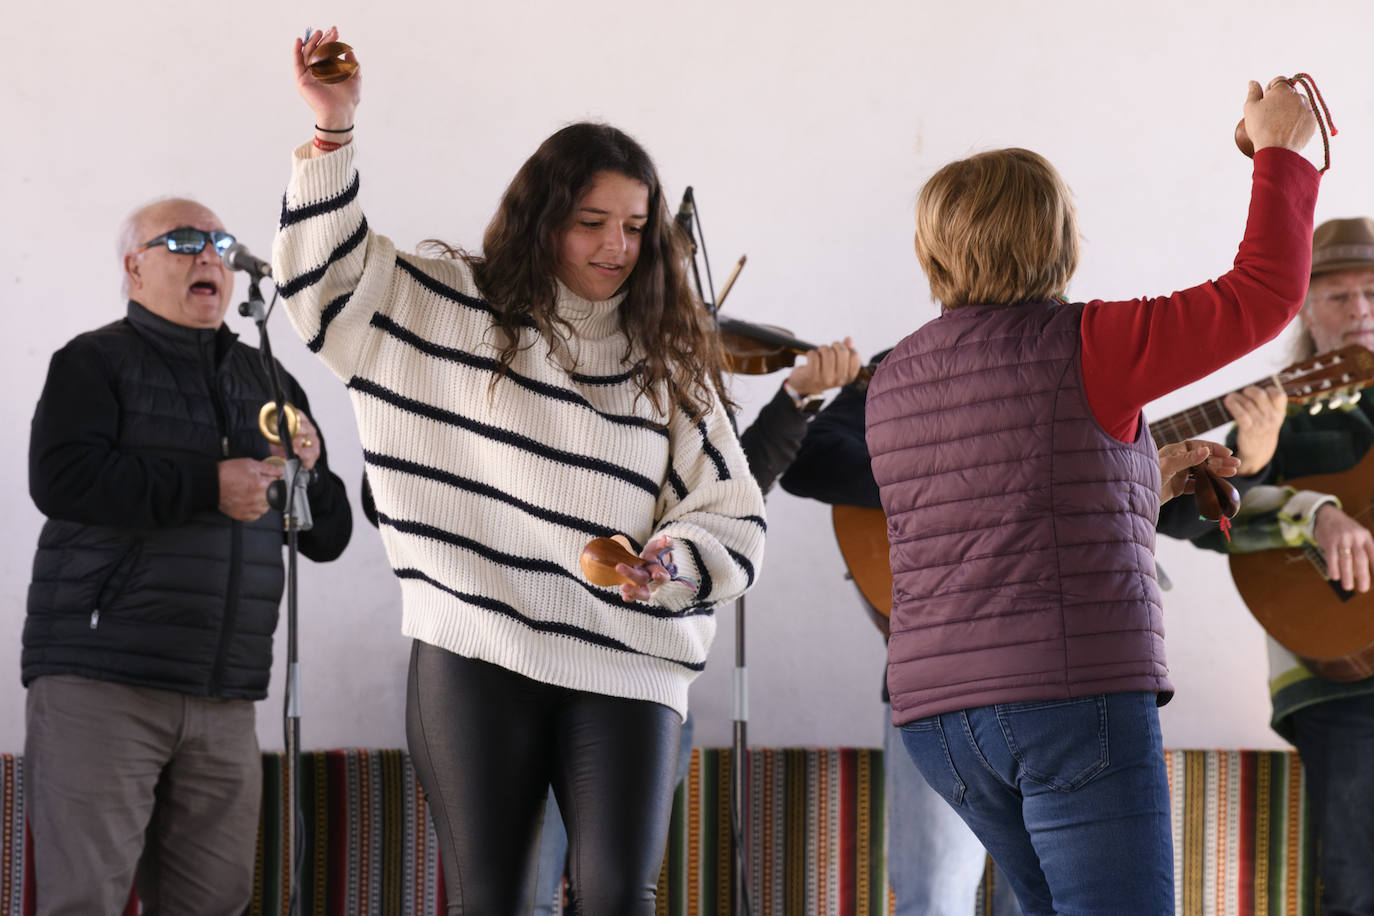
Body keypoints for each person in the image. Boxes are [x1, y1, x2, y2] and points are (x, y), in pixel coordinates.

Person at [277, 27, 767, 914]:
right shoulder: (448, 306)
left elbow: (733, 512)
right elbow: (324, 288)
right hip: (478, 644)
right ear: (544, 217)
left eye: (633, 226)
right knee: (491, 900)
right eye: (592, 223)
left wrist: (674, 566)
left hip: (630, 660)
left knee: (619, 896)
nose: (617, 246)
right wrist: (333, 133)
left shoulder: (666, 356)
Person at [863, 78, 1319, 914]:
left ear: (932, 255)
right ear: (1061, 243)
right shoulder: (1093, 345)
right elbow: (1264, 294)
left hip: (939, 724)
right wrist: (1283, 149)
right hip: (1070, 704)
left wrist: (1141, 472)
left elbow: (997, 529)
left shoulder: (893, 380)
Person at [23, 197, 352, 915]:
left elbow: (327, 538)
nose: (208, 254)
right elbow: (61, 478)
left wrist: (315, 476)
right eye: (180, 241)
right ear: (133, 267)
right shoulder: (92, 361)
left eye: (219, 242)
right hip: (102, 681)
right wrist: (208, 484)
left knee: (213, 904)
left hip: (225, 694)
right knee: (85, 900)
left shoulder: (269, 381)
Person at [531, 339, 863, 914]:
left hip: (648, 676)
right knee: (528, 893)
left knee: (615, 896)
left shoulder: (681, 374)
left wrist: (796, 397)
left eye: (643, 242)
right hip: (538, 663)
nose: (621, 249)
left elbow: (731, 491)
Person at [1158, 216, 1374, 915]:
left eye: (1372, 292)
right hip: (1334, 680)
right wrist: (1272, 479)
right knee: (1356, 886)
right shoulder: (1283, 413)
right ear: (1306, 310)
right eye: (1338, 296)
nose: (1359, 310)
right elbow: (1185, 517)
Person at [781, 352, 1022, 915]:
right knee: (933, 900)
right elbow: (809, 457)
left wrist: (1250, 463)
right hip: (936, 681)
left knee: (1056, 903)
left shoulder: (1088, 361)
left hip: (1064, 684)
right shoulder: (912, 365)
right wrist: (944, 484)